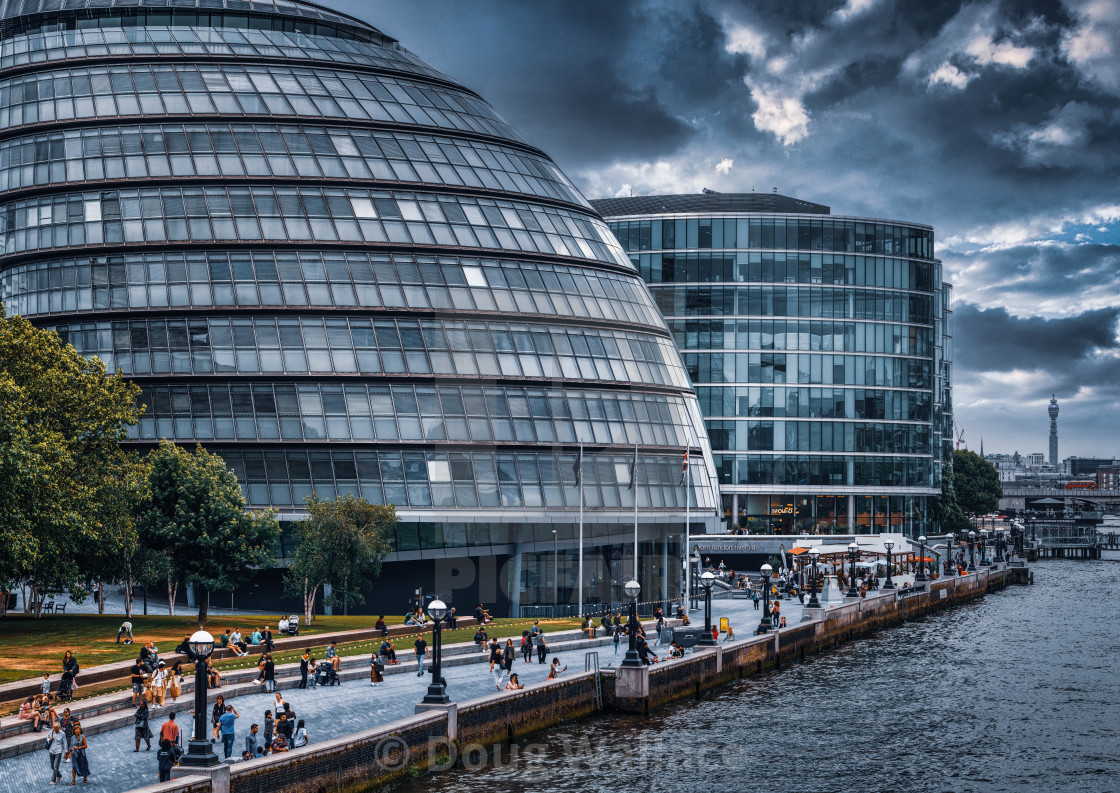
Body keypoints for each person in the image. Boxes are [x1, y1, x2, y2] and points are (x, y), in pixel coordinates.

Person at [46, 720, 67, 784]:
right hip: (51, 750)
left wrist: (66, 752)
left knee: (55, 766)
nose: (54, 729)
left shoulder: (62, 734)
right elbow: (47, 738)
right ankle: (59, 775)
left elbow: (65, 743)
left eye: (56, 728)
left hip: (58, 751)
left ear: (59, 727)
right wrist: (49, 739)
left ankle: (53, 780)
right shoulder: (51, 732)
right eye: (53, 727)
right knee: (52, 766)